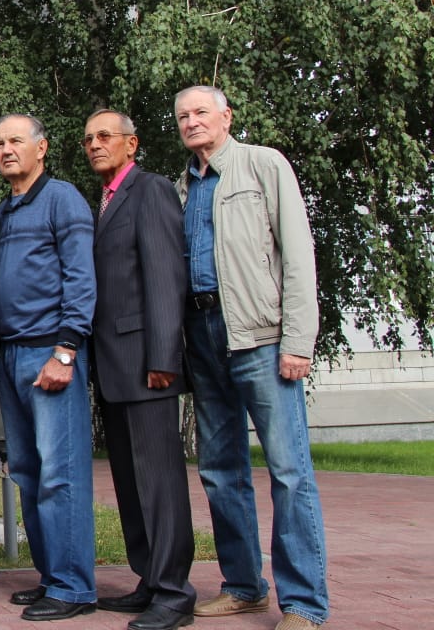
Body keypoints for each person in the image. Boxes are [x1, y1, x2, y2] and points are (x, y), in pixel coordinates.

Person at [174, 86, 328, 630]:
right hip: (204, 337)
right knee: (219, 471)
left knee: (289, 472)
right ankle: (244, 586)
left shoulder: (263, 165)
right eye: (183, 116)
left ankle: (304, 603)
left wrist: (297, 341)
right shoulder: (182, 188)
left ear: (225, 117)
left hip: (261, 338)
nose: (192, 122)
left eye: (200, 112)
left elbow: (297, 252)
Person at [83, 110, 196, 630]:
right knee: (129, 481)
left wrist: (162, 359)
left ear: (133, 143)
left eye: (105, 136)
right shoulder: (103, 200)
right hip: (112, 366)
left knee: (160, 482)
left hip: (146, 364)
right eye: (88, 139)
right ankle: (149, 578)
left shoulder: (149, 191)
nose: (95, 144)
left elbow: (166, 277)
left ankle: (175, 592)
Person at [0, 114, 98, 620]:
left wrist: (66, 349)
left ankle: (73, 587)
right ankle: (51, 575)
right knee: (29, 475)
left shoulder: (62, 198)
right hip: (10, 354)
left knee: (61, 474)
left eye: (16, 141)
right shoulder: (4, 210)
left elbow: (81, 275)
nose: (6, 150)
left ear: (42, 149)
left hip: (50, 352)